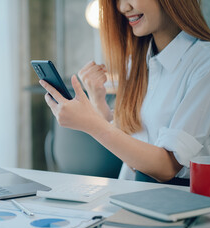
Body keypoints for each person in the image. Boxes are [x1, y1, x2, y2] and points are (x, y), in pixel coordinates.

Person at [39, 0, 210, 185]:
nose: (122, 7)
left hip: (177, 204)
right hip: (130, 194)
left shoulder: (204, 63)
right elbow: (130, 145)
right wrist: (97, 100)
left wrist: (91, 125)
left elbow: (167, 168)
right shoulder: (136, 62)